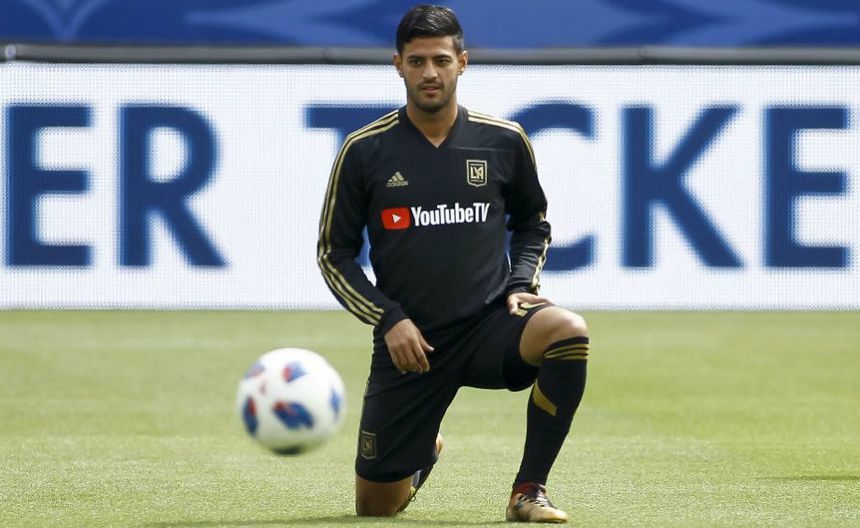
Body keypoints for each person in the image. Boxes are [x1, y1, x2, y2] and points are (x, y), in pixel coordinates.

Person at [317, 4, 589, 523]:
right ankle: (425, 448)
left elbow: (533, 223)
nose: (430, 73)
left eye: (441, 60)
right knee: (375, 510)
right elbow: (334, 255)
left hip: (490, 327)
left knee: (567, 330)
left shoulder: (504, 141)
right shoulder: (364, 150)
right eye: (417, 61)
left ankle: (528, 491)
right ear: (397, 65)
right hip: (410, 346)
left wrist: (521, 283)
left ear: (462, 62)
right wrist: (389, 319)